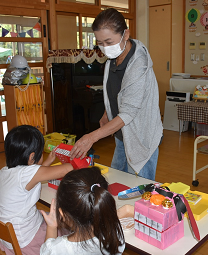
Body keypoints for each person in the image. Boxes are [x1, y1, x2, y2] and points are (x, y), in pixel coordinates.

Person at [69, 8, 163, 181]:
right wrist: (107, 113)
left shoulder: (138, 65)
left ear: (125, 34)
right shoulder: (114, 56)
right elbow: (113, 91)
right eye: (100, 43)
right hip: (122, 132)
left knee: (141, 187)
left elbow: (128, 113)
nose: (105, 48)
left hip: (141, 135)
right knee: (116, 181)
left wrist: (91, 137)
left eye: (108, 41)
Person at [0, 125, 73, 255]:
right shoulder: (27, 174)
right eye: (41, 152)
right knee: (69, 240)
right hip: (26, 242)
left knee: (60, 223)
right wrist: (78, 156)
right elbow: (67, 169)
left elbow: (33, 173)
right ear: (32, 157)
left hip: (8, 236)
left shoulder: (4, 171)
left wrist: (47, 162)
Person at [39, 167, 125, 255]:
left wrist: (52, 227)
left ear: (63, 215)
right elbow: (119, 251)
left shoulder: (57, 250)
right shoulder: (113, 233)